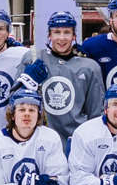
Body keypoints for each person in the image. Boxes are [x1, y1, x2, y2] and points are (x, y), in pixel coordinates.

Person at [25, 11, 104, 145]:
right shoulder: (32, 59)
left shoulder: (90, 67)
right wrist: (26, 83)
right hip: (38, 141)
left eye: (67, 32)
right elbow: (14, 101)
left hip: (76, 142)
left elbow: (96, 113)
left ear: (74, 36)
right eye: (57, 32)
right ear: (49, 35)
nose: (62, 38)